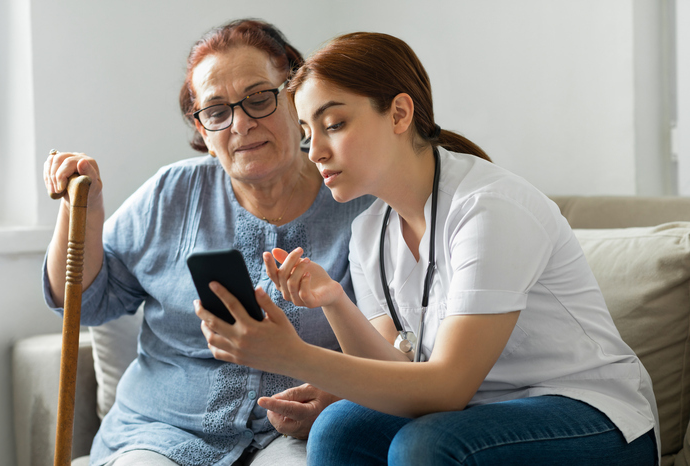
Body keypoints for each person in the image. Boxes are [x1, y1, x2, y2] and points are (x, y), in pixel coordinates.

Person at [195, 32, 660, 465]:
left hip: (591, 417)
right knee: (338, 428)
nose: (314, 151)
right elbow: (394, 370)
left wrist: (290, 354)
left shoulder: (489, 208)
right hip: (479, 412)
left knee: (426, 445)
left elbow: (445, 390)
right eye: (306, 132)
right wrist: (334, 300)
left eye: (333, 124)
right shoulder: (370, 230)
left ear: (399, 113)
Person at [42, 20, 373, 466]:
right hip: (161, 432)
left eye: (259, 98)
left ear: (296, 96)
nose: (242, 123)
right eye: (217, 112)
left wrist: (339, 393)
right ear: (203, 131)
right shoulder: (169, 193)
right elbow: (81, 302)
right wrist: (84, 210)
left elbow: (404, 342)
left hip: (295, 433)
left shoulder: (359, 200)